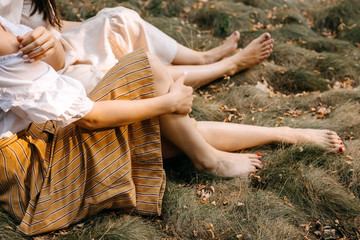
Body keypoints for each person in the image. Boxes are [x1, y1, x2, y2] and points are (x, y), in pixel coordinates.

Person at [0, 15, 345, 236]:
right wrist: (169, 102)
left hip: (38, 142)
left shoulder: (5, 25)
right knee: (146, 68)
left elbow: (58, 62)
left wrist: (45, 40)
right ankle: (209, 158)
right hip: (37, 178)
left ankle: (283, 133)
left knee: (167, 132)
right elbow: (88, 118)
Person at [0, 0, 274, 93]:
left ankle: (201, 58)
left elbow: (50, 26)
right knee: (132, 69)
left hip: (47, 49)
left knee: (119, 18)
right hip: (31, 75)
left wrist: (98, 26)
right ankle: (228, 65)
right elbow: (28, 56)